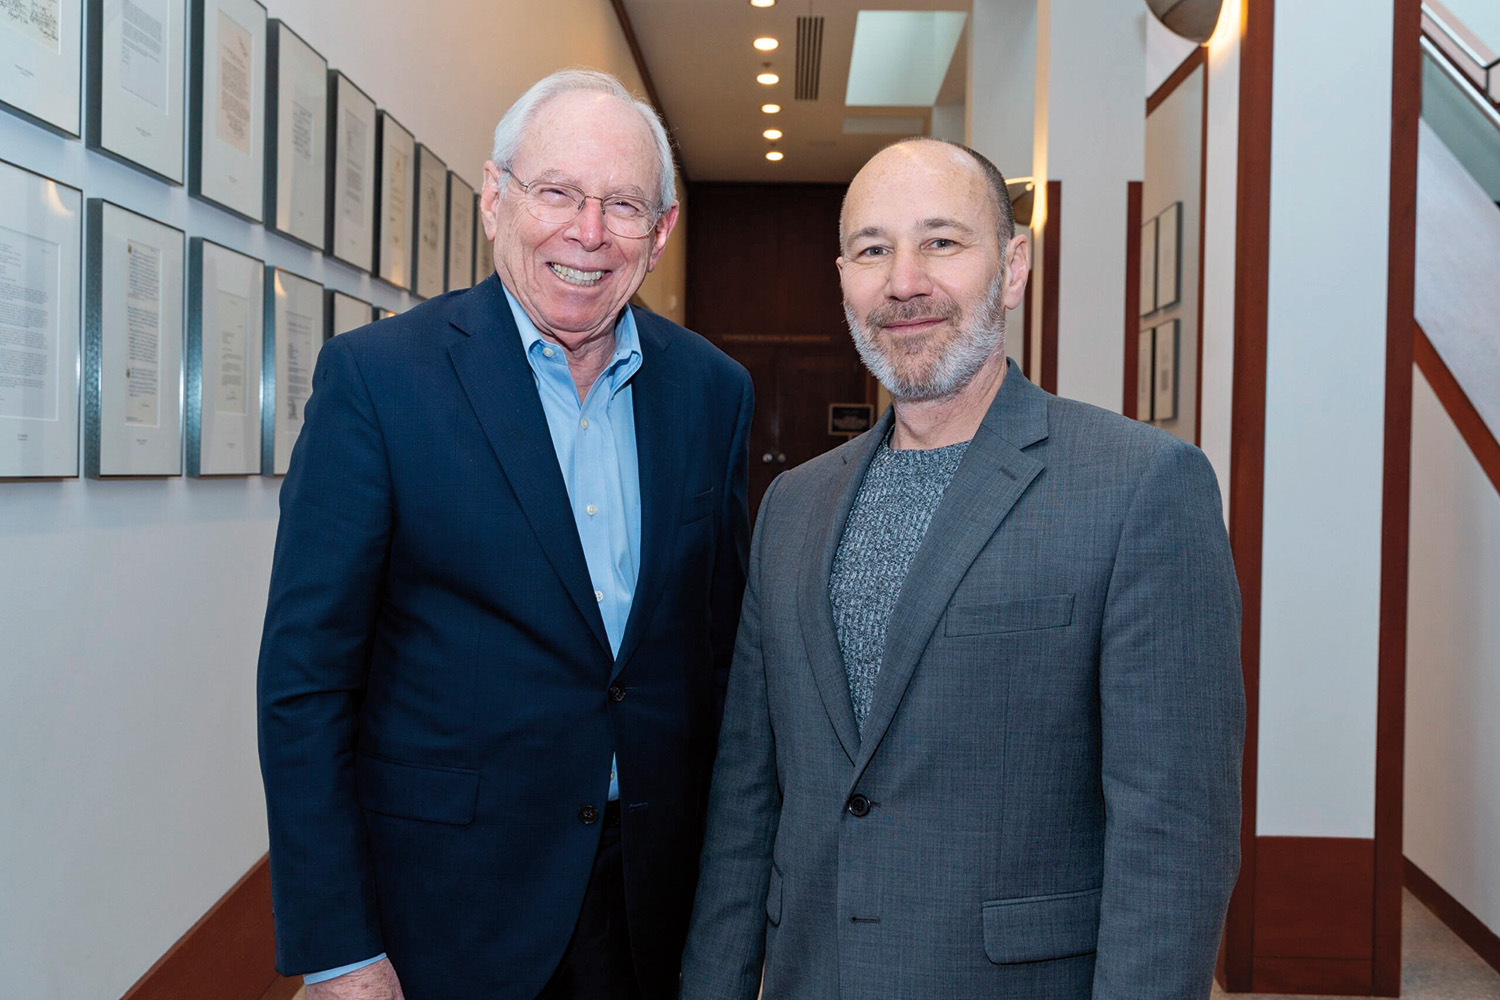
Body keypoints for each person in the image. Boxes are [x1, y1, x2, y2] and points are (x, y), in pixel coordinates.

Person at [679, 137, 1244, 999]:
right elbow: (747, 803)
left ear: (1012, 266)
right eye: (873, 250)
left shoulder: (1141, 486)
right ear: (844, 279)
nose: (904, 281)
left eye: (941, 241)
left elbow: (1173, 835)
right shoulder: (791, 508)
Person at [257, 70, 752, 1000]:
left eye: (623, 205)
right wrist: (339, 950)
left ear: (663, 231)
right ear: (496, 200)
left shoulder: (713, 392)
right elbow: (307, 680)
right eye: (557, 192)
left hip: (650, 908)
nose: (588, 232)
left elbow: (717, 665)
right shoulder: (379, 380)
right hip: (444, 911)